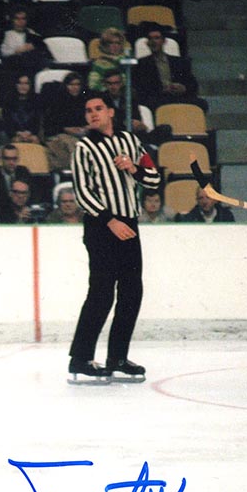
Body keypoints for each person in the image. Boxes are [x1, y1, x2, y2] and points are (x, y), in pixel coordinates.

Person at [67, 94, 162, 383]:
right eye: (88, 110)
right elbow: (82, 193)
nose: (92, 114)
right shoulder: (84, 147)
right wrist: (110, 220)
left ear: (110, 112)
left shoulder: (130, 141)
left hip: (128, 224)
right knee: (101, 292)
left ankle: (118, 357)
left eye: (98, 108)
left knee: (132, 292)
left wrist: (133, 168)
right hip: (101, 226)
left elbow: (154, 177)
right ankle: (80, 358)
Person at [133, 24, 204, 111]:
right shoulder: (141, 64)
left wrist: (183, 88)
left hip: (179, 98)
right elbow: (141, 88)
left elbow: (192, 83)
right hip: (157, 99)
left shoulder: (179, 61)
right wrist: (163, 89)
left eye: (156, 38)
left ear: (164, 41)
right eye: (150, 39)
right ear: (147, 43)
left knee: (201, 103)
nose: (153, 41)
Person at [0, 73, 45, 145]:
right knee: (15, 141)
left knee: (34, 140)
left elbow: (38, 121)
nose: (23, 86)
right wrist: (18, 133)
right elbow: (7, 121)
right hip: (14, 134)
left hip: (32, 133)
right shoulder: (8, 100)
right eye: (20, 83)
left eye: (26, 83)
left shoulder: (37, 99)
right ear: (15, 85)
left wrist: (29, 133)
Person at [0, 144, 33, 223]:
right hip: (2, 216)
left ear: (18, 159)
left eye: (14, 159)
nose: (11, 162)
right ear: (1, 159)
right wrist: (16, 214)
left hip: (24, 212)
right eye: (7, 159)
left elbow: (31, 194)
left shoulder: (23, 171)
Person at [86, 27, 131, 93]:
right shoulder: (98, 62)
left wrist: (112, 58)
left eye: (118, 43)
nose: (115, 46)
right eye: (111, 43)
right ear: (104, 45)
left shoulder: (125, 59)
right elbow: (93, 86)